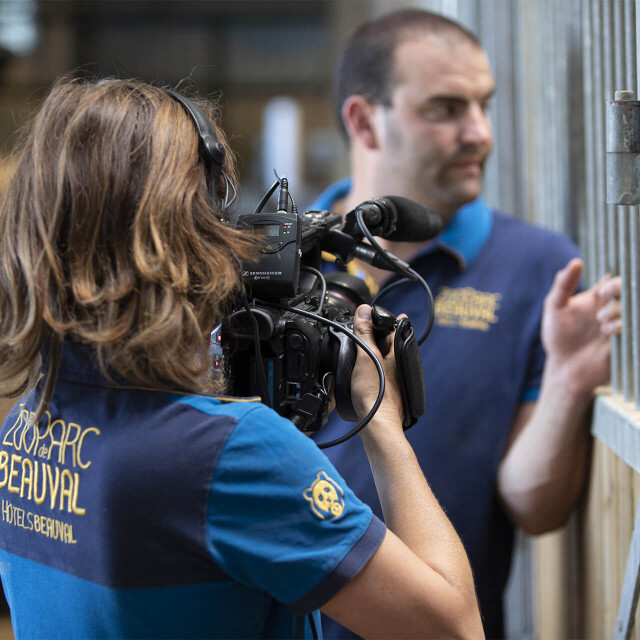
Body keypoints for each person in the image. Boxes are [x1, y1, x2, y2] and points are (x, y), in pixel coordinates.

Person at [0, 77, 483, 639]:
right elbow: (453, 627)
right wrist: (384, 426)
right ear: (191, 228)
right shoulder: (231, 455)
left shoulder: (25, 424)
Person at [310, 9, 621, 639]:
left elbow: (533, 505)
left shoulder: (539, 267)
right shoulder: (273, 265)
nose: (479, 132)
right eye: (446, 109)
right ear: (364, 121)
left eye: (484, 106)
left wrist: (567, 379)